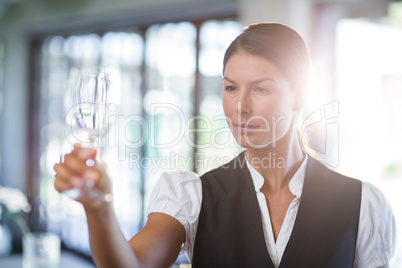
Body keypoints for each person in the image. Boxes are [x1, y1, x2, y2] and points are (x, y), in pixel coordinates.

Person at [54, 23, 396, 268]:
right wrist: (99, 207)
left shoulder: (362, 204)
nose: (240, 107)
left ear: (301, 96)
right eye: (231, 88)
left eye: (261, 89)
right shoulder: (192, 196)